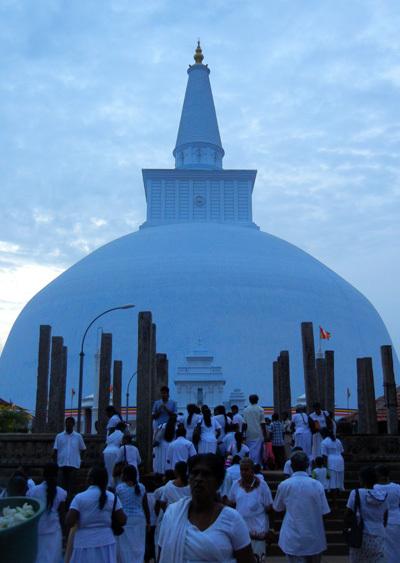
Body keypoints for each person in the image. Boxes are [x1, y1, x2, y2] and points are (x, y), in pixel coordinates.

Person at [158, 453, 254, 562]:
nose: (199, 479)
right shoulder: (172, 514)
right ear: (189, 479)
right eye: (195, 473)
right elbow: (162, 555)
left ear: (219, 482)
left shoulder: (232, 519)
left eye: (206, 474)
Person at [273, 451, 330, 562]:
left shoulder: (285, 485)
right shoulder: (317, 485)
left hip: (292, 537)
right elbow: (325, 512)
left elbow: (278, 509)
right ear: (307, 465)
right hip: (314, 538)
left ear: (291, 466)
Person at [66, 465, 126, 563]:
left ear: (91, 480)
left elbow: (69, 521)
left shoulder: (79, 498)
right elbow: (122, 520)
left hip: (84, 543)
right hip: (106, 542)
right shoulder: (112, 497)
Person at [229, 457, 273, 561]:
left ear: (252, 470)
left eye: (246, 469)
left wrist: (271, 529)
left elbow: (270, 509)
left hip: (258, 533)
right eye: (241, 470)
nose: (243, 472)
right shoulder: (236, 485)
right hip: (240, 532)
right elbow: (231, 506)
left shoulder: (262, 485)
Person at [345, 466, 388, 563]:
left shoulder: (355, 493)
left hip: (360, 535)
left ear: (362, 479)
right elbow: (385, 515)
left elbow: (348, 513)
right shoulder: (383, 495)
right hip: (379, 534)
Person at [28, 463, 66, 563]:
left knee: (39, 555)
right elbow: (62, 515)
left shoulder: (33, 491)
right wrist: (65, 534)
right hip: (55, 528)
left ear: (43, 474)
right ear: (57, 475)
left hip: (38, 528)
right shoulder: (61, 492)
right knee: (54, 556)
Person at [116, 464, 150, 563]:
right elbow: (145, 506)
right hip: (139, 519)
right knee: (139, 545)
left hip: (124, 519)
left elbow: (116, 506)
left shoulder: (119, 488)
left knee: (124, 546)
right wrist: (148, 522)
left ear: (125, 475)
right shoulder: (142, 487)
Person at [53, 416, 86, 500]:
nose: (68, 425)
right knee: (60, 486)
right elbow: (55, 450)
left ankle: (69, 502)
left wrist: (81, 460)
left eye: (70, 423)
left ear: (73, 424)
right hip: (62, 464)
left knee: (71, 486)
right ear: (65, 424)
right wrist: (55, 462)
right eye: (67, 423)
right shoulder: (59, 436)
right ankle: (61, 502)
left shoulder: (78, 436)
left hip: (73, 464)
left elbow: (83, 449)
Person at [374, 464, 400, 563]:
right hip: (396, 520)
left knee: (382, 548)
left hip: (379, 521)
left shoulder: (374, 488)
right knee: (396, 547)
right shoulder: (397, 487)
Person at [321, 429, 344, 507]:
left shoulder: (324, 442)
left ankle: (335, 504)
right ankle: (337, 502)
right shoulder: (337, 440)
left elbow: (324, 456)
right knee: (339, 481)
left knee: (332, 483)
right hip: (340, 461)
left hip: (331, 462)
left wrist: (325, 467)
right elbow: (342, 451)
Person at [242, 395, 268, 465]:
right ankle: (256, 465)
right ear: (257, 400)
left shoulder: (246, 410)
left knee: (250, 450)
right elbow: (263, 423)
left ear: (249, 400)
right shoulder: (260, 409)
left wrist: (242, 434)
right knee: (258, 452)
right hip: (258, 434)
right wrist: (265, 435)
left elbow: (244, 424)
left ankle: (251, 464)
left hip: (249, 434)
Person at [103, 421, 125, 488]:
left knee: (108, 470)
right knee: (115, 471)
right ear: (122, 428)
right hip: (115, 451)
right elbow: (122, 444)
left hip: (106, 452)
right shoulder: (122, 434)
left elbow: (105, 444)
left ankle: (109, 485)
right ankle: (115, 486)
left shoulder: (111, 434)